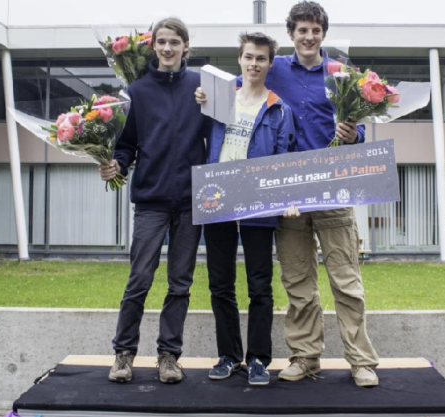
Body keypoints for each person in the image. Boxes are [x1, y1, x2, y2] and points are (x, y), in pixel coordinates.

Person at [196, 0, 380, 387]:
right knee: (298, 283)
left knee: (345, 281)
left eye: (315, 30)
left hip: (332, 188)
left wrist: (355, 134)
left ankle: (361, 361)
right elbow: (243, 84)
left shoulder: (341, 75)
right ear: (292, 34)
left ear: (323, 34)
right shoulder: (274, 68)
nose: (309, 36)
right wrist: (206, 96)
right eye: (302, 30)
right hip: (287, 194)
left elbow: (360, 127)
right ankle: (305, 356)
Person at [100, 17, 210, 385]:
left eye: (174, 42)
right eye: (161, 42)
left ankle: (169, 356)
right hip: (150, 201)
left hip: (192, 201)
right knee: (139, 279)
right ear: (154, 46)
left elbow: (222, 134)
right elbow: (126, 143)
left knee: (180, 283)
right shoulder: (138, 90)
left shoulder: (201, 87)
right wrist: (117, 165)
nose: (167, 48)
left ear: (186, 47)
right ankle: (123, 353)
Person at [205, 32, 296, 386]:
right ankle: (229, 356)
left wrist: (287, 198)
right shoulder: (217, 100)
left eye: (261, 58)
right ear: (239, 60)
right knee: (220, 283)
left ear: (270, 63)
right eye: (248, 57)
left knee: (260, 285)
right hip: (218, 197)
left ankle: (258, 358)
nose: (254, 63)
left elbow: (285, 157)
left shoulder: (279, 108)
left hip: (258, 199)